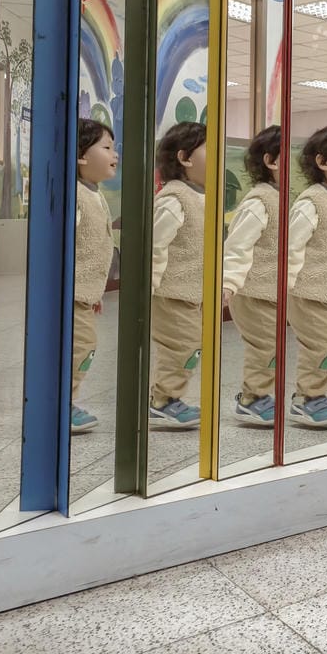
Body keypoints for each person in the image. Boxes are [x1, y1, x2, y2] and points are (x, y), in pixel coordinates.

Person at [284, 126, 327, 428]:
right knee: (322, 345)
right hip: (308, 291)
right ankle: (306, 398)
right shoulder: (312, 202)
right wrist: (286, 289)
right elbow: (291, 248)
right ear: (323, 162)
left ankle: (317, 394)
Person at [222, 125, 282, 425]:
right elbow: (236, 246)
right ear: (271, 161)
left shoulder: (281, 198)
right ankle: (252, 398)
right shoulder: (260, 201)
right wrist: (229, 283)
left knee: (272, 344)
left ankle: (259, 394)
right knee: (265, 345)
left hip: (270, 291)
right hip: (252, 290)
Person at [149, 121, 207, 428]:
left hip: (191, 292)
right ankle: (164, 400)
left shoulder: (200, 197)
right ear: (185, 158)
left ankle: (165, 396)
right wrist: (151, 286)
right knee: (183, 346)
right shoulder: (174, 198)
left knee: (187, 345)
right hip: (170, 291)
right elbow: (154, 245)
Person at [72, 119, 119, 434]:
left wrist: (95, 291)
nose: (115, 154)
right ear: (81, 156)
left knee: (82, 345)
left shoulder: (94, 192)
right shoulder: (75, 195)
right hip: (70, 293)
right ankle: (59, 403)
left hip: (84, 292)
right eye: (107, 147)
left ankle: (64, 400)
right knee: (81, 345)